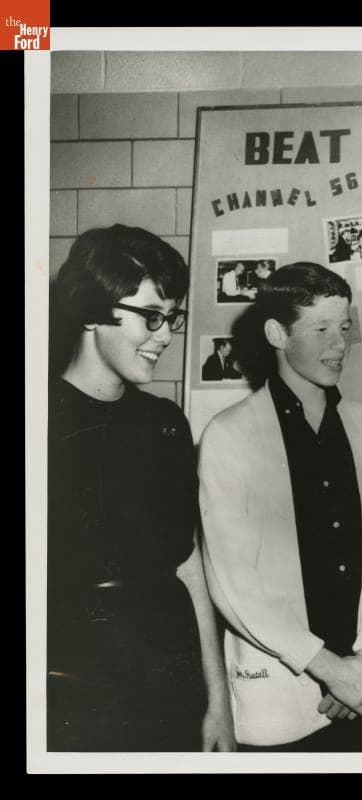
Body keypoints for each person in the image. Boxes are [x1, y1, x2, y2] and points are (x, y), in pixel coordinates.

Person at [198, 262, 362, 752]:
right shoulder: (230, 435)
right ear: (278, 334)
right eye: (321, 329)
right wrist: (330, 669)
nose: (340, 345)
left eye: (344, 327)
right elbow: (232, 581)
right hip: (279, 702)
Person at [47, 224, 235, 752]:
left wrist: (218, 702)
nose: (166, 335)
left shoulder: (164, 423)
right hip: (73, 689)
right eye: (151, 316)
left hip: (167, 680)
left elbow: (188, 564)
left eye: (171, 318)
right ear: (91, 310)